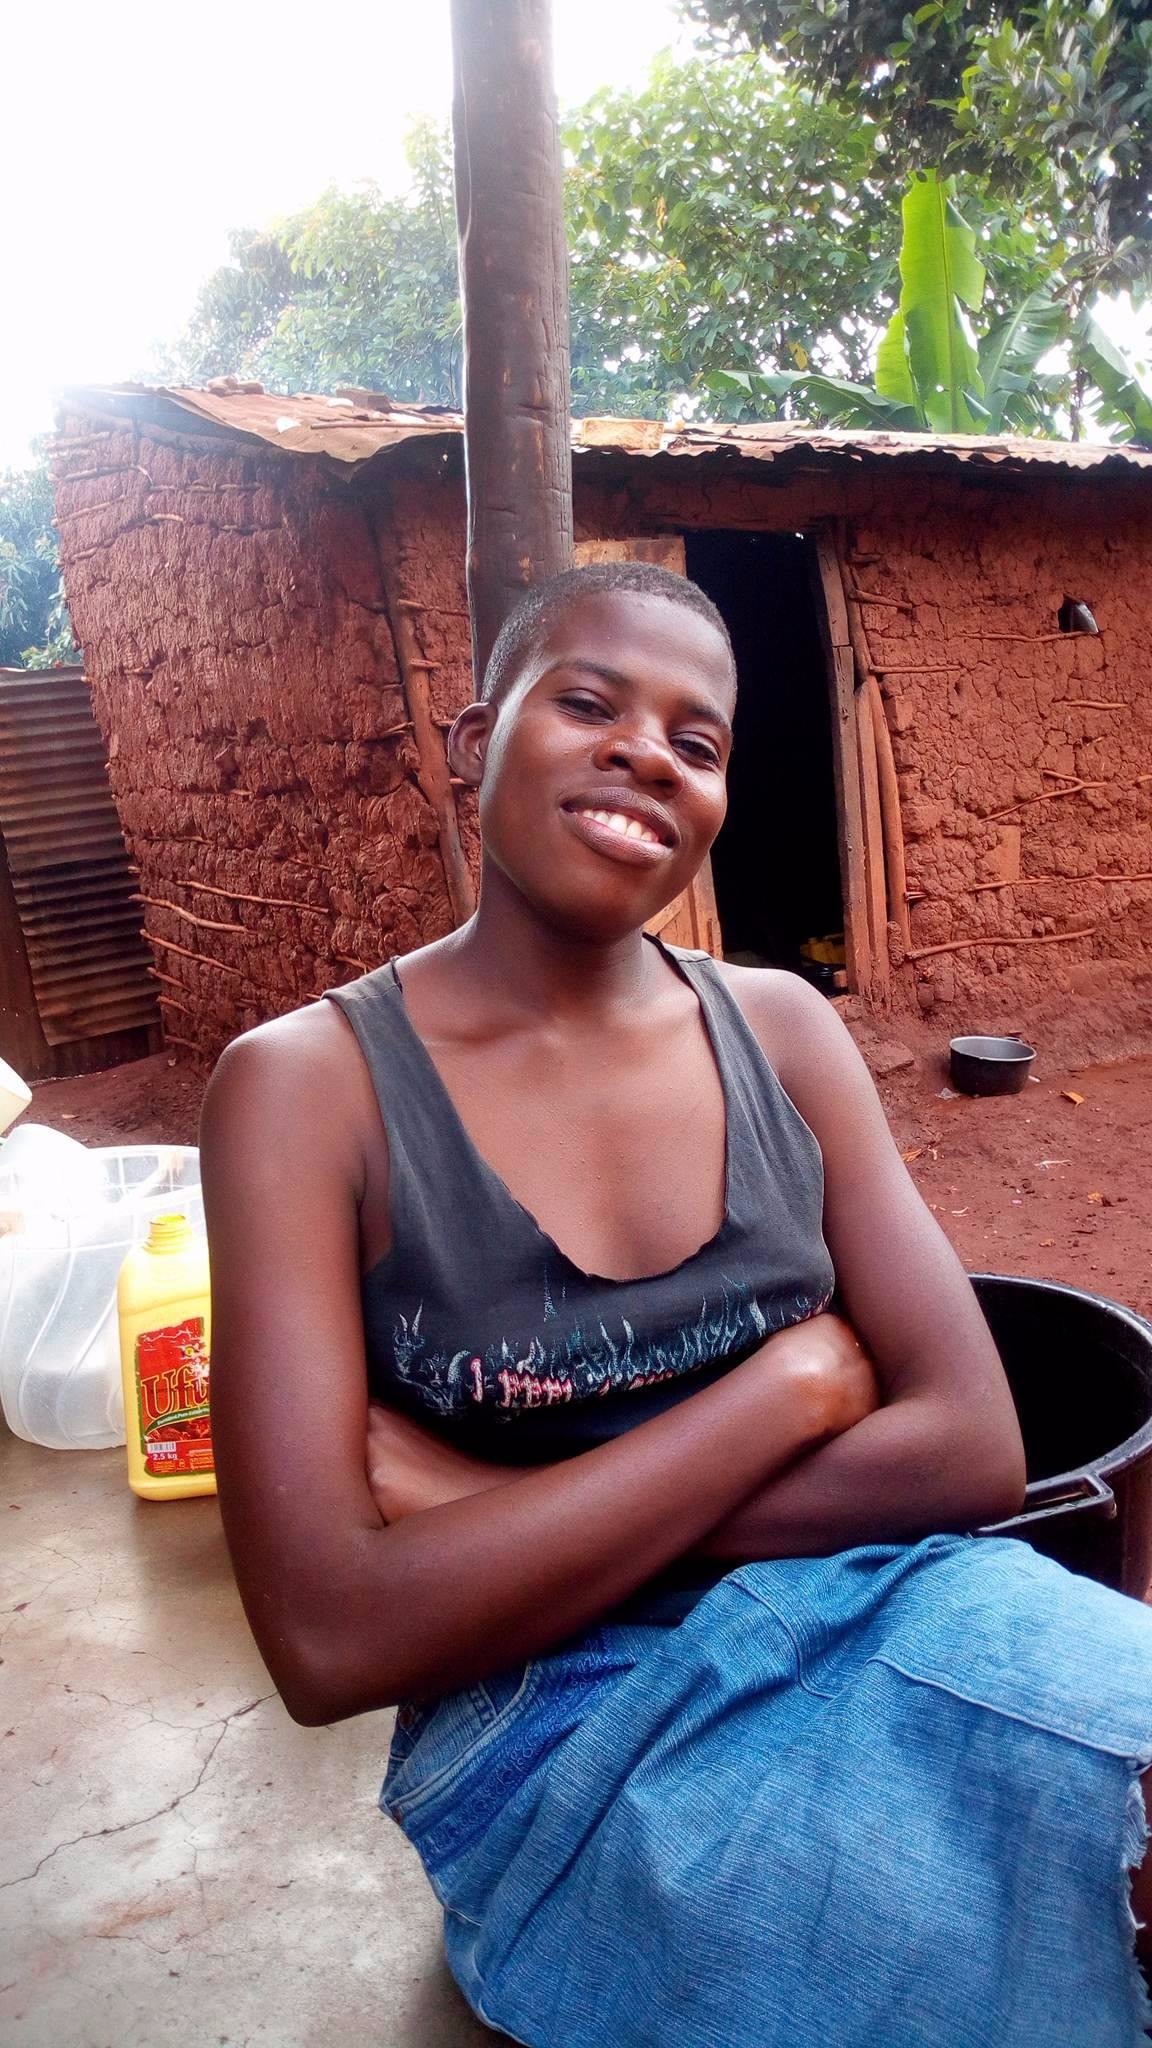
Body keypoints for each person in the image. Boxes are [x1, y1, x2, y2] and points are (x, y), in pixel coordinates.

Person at [201, 562, 1152, 2048]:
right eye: (589, 704)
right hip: (556, 1723)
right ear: (473, 742)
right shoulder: (307, 1091)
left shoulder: (781, 1030)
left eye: (696, 742)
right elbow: (328, 1636)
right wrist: (786, 1395)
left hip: (883, 1595)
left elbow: (971, 1452)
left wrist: (483, 1508)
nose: (647, 753)